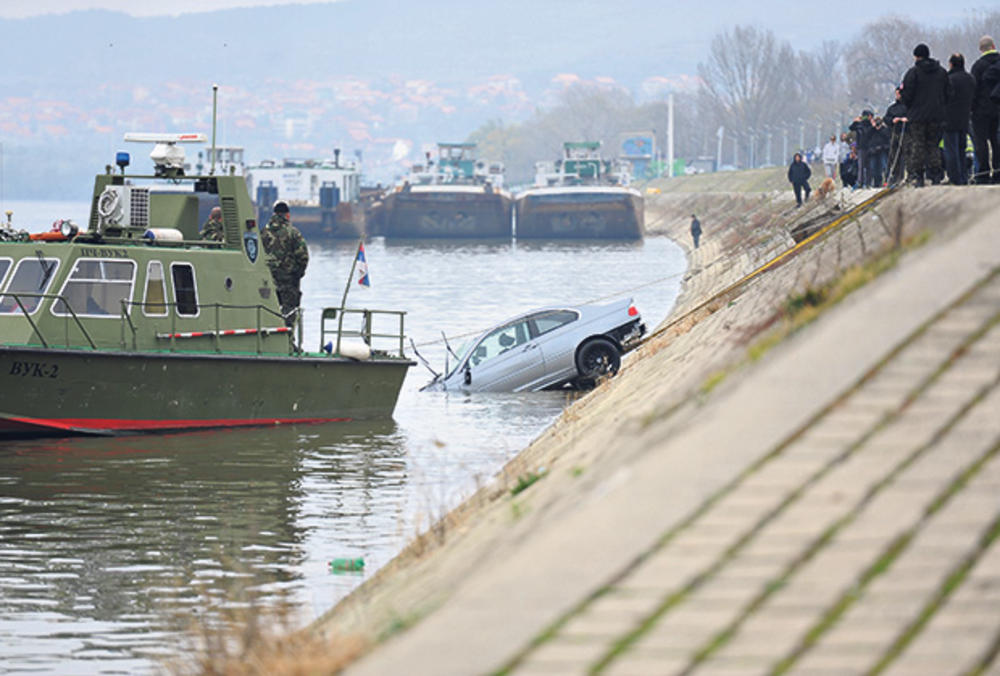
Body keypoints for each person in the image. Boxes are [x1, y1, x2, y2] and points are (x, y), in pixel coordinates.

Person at [901, 43, 951, 187]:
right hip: (937, 116)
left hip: (917, 117)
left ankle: (919, 176)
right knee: (933, 145)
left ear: (916, 56)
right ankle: (936, 174)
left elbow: (907, 96)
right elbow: (949, 93)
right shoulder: (941, 72)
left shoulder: (913, 73)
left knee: (918, 144)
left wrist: (906, 102)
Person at [261, 200, 309, 327]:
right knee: (289, 312)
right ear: (287, 215)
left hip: (266, 280)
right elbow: (303, 256)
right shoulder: (293, 232)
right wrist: (297, 274)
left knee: (268, 310)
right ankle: (288, 340)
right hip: (288, 281)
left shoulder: (262, 233)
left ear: (274, 214)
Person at [970, 36, 1000, 184]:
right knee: (996, 140)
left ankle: (983, 173)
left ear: (981, 49)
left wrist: (971, 108)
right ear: (994, 45)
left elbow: (973, 90)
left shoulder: (978, 66)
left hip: (981, 110)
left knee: (981, 142)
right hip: (998, 108)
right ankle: (998, 172)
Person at [943, 53, 975, 185]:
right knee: (962, 150)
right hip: (965, 118)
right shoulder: (970, 79)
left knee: (951, 150)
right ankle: (963, 176)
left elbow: (944, 97)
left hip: (949, 119)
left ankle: (954, 178)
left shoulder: (949, 79)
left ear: (951, 64)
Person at [884, 87, 908, 186]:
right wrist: (892, 120)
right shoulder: (892, 108)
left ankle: (906, 176)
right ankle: (895, 177)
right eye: (896, 94)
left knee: (906, 156)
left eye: (899, 94)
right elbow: (886, 118)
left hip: (906, 134)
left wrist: (905, 119)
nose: (897, 96)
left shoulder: (908, 106)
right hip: (895, 134)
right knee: (894, 157)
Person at [850, 110, 875, 186]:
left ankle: (868, 183)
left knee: (869, 166)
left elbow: (870, 133)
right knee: (861, 166)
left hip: (870, 147)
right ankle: (860, 182)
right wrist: (855, 121)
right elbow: (851, 128)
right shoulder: (860, 125)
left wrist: (873, 126)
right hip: (861, 147)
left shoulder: (870, 125)